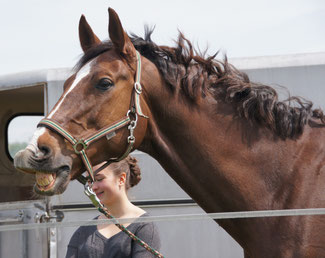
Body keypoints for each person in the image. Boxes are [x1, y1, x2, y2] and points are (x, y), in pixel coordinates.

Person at [65, 155, 161, 258]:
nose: (93, 187)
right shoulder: (84, 231)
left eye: (99, 179)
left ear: (121, 179)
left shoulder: (143, 227)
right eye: (89, 181)